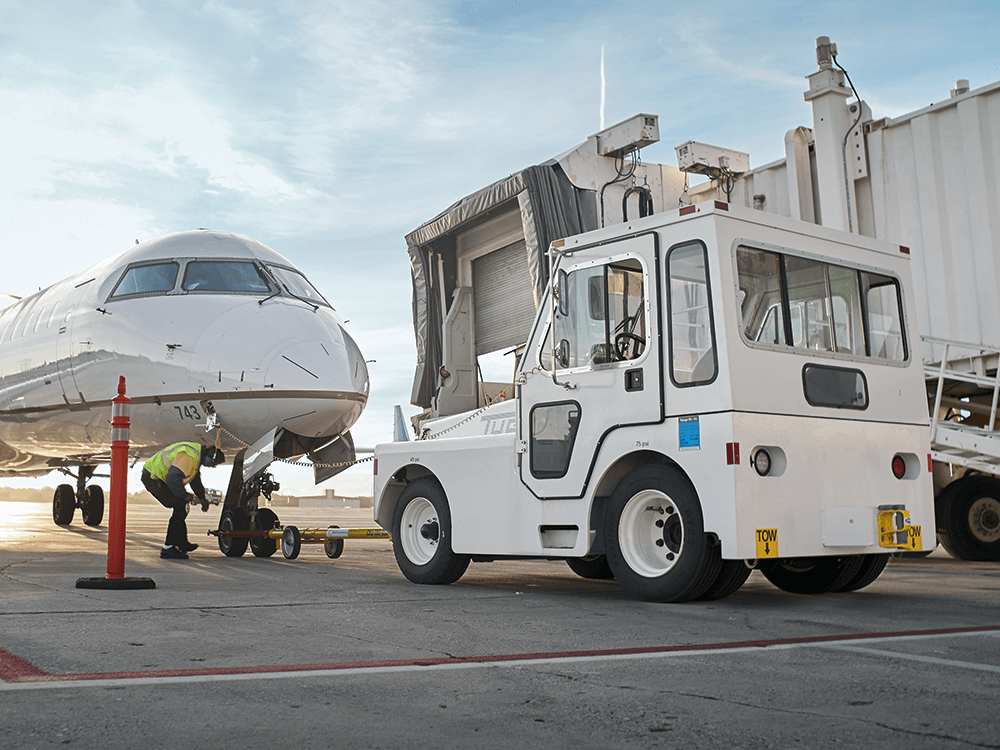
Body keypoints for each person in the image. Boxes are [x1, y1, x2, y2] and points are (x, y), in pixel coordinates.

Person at [141, 442, 225, 559]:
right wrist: (185, 496)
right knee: (180, 506)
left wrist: (202, 498)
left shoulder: (196, 457)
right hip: (154, 478)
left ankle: (181, 543)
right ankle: (168, 547)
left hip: (159, 479)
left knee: (182, 507)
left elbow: (195, 481)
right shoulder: (189, 456)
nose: (211, 466)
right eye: (213, 464)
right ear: (209, 457)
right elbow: (173, 477)